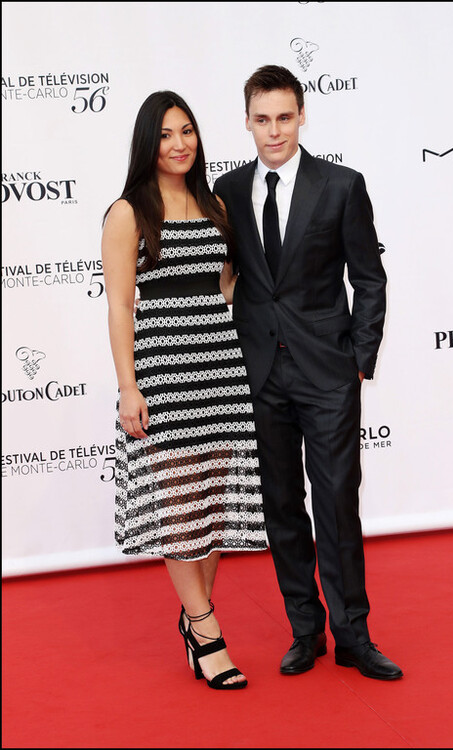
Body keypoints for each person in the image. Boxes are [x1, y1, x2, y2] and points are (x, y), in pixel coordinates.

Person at [214, 65, 403, 680]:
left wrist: (358, 361)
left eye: (285, 117)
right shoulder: (229, 189)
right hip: (261, 372)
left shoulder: (342, 186)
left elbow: (368, 279)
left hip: (327, 375)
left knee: (337, 505)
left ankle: (353, 634)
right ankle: (306, 630)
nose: (274, 131)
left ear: (302, 116)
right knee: (281, 506)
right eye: (262, 119)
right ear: (247, 121)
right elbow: (234, 278)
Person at [101, 90, 267, 691]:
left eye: (187, 131)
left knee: (212, 508)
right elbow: (121, 305)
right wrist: (128, 387)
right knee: (179, 509)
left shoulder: (215, 201)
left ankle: (194, 619)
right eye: (167, 134)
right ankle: (206, 630)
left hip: (220, 369)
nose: (179, 144)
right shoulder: (127, 212)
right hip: (163, 375)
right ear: (149, 142)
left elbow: (226, 286)